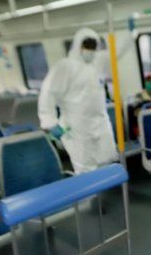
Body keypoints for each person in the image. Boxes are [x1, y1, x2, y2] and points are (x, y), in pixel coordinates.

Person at [38, 27, 124, 173]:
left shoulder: (97, 63)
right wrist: (50, 122)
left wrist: (130, 34)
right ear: (78, 45)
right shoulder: (65, 66)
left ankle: (103, 187)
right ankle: (88, 189)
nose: (90, 50)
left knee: (106, 161)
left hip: (100, 122)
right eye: (87, 46)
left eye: (93, 47)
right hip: (77, 126)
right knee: (85, 167)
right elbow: (48, 93)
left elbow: (117, 53)